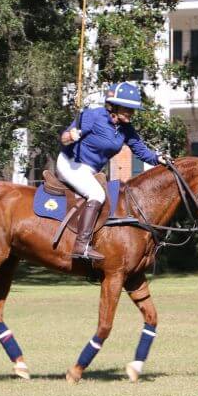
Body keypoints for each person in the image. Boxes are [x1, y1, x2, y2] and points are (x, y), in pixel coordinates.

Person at [57, 82, 170, 261]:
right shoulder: (93, 116)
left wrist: (158, 159)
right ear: (113, 106)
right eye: (128, 109)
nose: (131, 113)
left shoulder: (126, 130)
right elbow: (64, 139)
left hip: (91, 171)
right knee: (97, 194)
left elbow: (141, 151)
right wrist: (72, 136)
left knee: (111, 197)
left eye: (133, 110)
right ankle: (81, 245)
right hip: (70, 164)